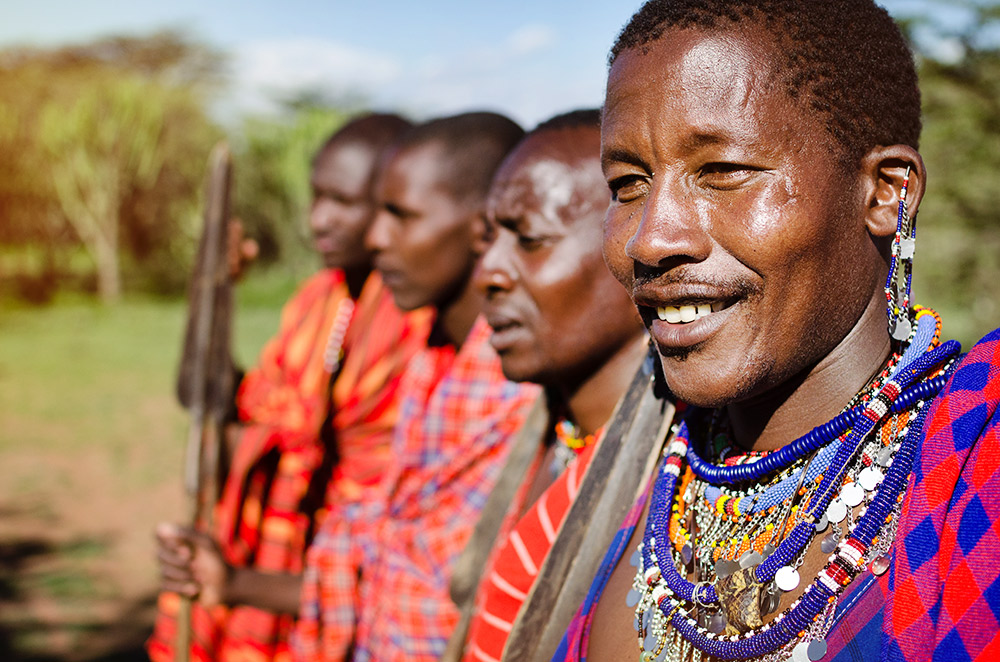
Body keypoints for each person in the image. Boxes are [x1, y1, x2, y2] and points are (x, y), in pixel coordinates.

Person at [548, 2, 1000, 662]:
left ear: (885, 193)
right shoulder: (641, 459)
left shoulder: (972, 467)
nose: (651, 239)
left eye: (723, 171)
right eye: (628, 183)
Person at [149, 113, 430, 662]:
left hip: (355, 580)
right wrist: (211, 293)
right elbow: (224, 405)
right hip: (271, 548)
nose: (318, 220)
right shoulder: (317, 300)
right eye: (316, 197)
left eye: (342, 202)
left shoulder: (418, 325)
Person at [293, 112, 539, 662]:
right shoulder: (427, 360)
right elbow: (390, 548)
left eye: (400, 215)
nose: (375, 239)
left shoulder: (522, 391)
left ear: (482, 227)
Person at [440, 108, 649, 662]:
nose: (489, 272)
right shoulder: (549, 431)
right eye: (490, 240)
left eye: (528, 238)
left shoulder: (668, 489)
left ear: (631, 245)